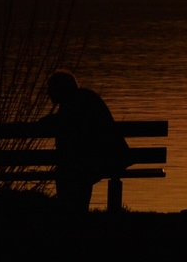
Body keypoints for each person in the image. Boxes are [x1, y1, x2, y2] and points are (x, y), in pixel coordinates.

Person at [40, 71, 130, 211]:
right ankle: (78, 212)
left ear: (60, 89)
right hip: (113, 156)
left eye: (51, 89)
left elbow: (67, 123)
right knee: (77, 169)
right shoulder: (84, 98)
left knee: (72, 171)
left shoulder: (73, 104)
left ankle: (73, 213)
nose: (49, 93)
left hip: (104, 159)